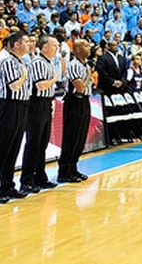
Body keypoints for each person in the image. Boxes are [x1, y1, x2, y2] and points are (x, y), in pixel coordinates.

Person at [0, 32, 31, 204]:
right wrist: (25, 75)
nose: (29, 43)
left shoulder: (19, 62)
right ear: (16, 45)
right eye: (25, 41)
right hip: (10, 106)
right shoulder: (9, 62)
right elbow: (15, 86)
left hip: (22, 106)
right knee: (2, 147)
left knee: (14, 147)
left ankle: (7, 185)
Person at [20, 34, 61, 194]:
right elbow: (41, 85)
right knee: (33, 143)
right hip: (36, 104)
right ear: (44, 47)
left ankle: (40, 176)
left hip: (46, 103)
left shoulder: (48, 62)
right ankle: (27, 180)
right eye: (54, 45)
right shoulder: (37, 62)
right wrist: (54, 79)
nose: (57, 48)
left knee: (43, 143)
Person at [58, 38, 92, 183]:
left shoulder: (86, 65)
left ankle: (73, 167)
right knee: (71, 136)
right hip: (74, 102)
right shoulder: (74, 65)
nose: (89, 47)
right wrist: (89, 76)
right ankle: (64, 170)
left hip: (85, 101)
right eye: (85, 45)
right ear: (77, 49)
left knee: (80, 136)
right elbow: (80, 87)